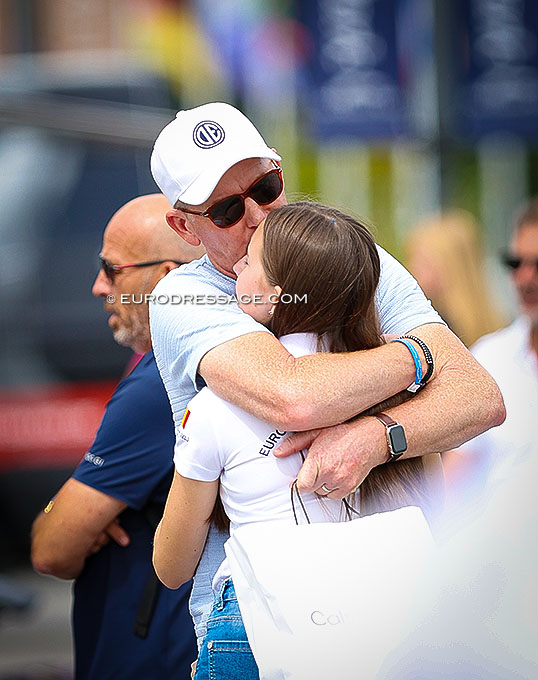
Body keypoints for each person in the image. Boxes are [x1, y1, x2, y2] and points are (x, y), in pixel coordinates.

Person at [148, 102, 504, 645]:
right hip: (264, 625)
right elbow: (296, 398)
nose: (257, 215)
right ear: (183, 226)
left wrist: (376, 436)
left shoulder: (355, 256)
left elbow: (480, 397)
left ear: (279, 170)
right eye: (226, 210)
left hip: (397, 609)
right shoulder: (185, 295)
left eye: (265, 187)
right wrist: (419, 358)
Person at [153, 202, 444, 678]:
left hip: (258, 624)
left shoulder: (213, 409)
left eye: (251, 261)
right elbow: (437, 509)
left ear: (276, 296)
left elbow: (173, 566)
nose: (238, 267)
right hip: (393, 621)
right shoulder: (407, 395)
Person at [31, 194, 204, 680]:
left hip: (153, 657)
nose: (98, 286)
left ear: (166, 279)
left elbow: (51, 550)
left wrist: (65, 512)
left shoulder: (160, 379)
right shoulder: (211, 354)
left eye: (112, 269)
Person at [451, 198, 538, 494]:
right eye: (515, 263)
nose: (524, 278)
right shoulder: (491, 356)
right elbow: (454, 483)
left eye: (537, 265)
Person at [403, 210, 505, 347]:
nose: (411, 267)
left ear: (450, 267)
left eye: (422, 261)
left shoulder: (438, 328)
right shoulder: (497, 326)